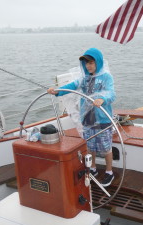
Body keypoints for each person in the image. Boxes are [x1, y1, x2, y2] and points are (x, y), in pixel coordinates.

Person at [47, 48, 116, 187]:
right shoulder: (84, 78)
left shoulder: (107, 77)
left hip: (102, 119)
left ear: (98, 62)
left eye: (91, 62)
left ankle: (109, 172)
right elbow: (71, 86)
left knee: (106, 148)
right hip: (87, 119)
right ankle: (94, 169)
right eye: (86, 63)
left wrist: (102, 99)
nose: (88, 66)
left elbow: (111, 93)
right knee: (90, 147)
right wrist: (56, 91)